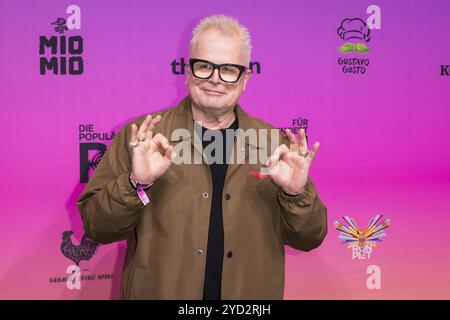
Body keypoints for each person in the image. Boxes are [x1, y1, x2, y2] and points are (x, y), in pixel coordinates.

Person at [77, 14, 327, 300]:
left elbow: (309, 238)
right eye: (204, 66)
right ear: (187, 71)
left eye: (229, 69)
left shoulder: (275, 144)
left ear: (245, 78)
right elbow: (97, 228)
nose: (215, 80)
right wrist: (134, 184)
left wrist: (296, 195)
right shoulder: (143, 138)